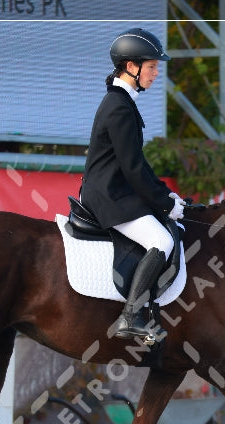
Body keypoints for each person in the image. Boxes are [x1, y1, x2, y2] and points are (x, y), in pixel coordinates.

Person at [79, 27, 185, 340]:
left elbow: (137, 165)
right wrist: (165, 204)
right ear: (131, 67)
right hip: (107, 195)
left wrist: (167, 194)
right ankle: (130, 315)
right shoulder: (119, 107)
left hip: (114, 190)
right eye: (152, 67)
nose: (155, 73)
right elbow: (133, 168)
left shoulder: (123, 102)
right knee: (162, 241)